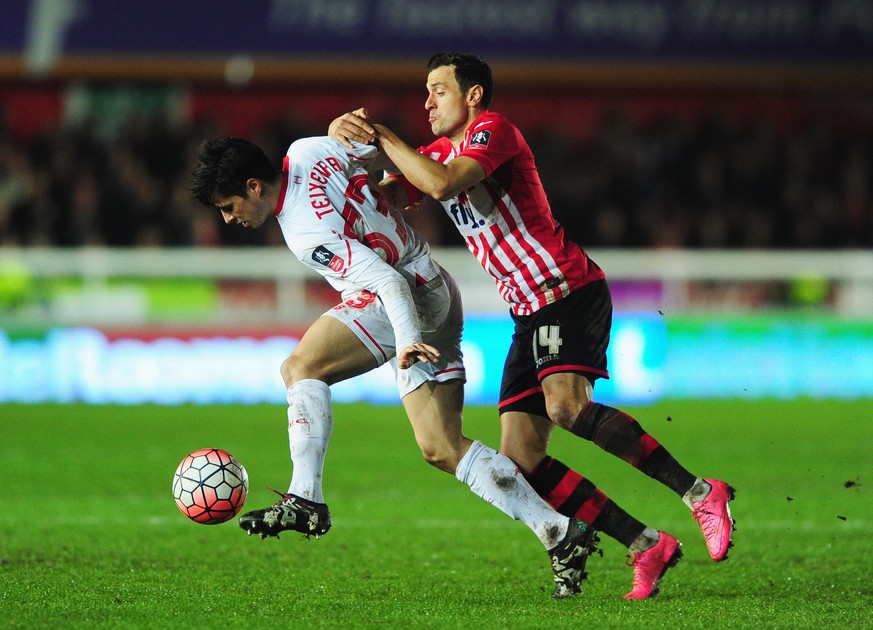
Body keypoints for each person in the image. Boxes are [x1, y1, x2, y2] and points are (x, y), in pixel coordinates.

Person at [329, 51, 735, 600]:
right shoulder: (434, 153)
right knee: (521, 459)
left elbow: (445, 184)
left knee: (565, 406)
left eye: (438, 91)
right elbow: (399, 190)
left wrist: (382, 135)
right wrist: (341, 150)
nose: (426, 103)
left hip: (565, 291)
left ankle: (700, 492)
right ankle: (647, 545)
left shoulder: (493, 131)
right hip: (527, 310)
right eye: (424, 93)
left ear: (472, 96)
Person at [190, 135, 599, 598]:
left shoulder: (305, 231)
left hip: (405, 299)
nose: (229, 218)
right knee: (442, 447)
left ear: (254, 186)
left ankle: (305, 498)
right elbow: (370, 154)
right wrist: (354, 129)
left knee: (300, 368)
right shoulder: (307, 149)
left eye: (228, 205)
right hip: (435, 283)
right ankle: (560, 532)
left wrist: (406, 342)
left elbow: (384, 280)